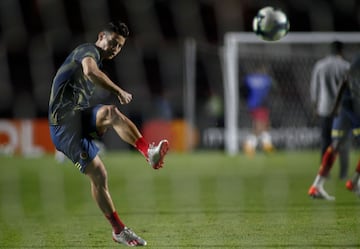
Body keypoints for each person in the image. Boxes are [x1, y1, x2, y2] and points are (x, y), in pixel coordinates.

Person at [48, 21, 169, 246]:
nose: (115, 49)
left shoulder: (99, 61)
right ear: (101, 36)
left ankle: (148, 152)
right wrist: (119, 91)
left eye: (120, 46)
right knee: (99, 174)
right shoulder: (88, 50)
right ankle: (119, 230)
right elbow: (89, 71)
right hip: (63, 127)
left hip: (78, 117)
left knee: (111, 113)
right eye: (113, 43)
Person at [308, 53, 360, 201]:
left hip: (345, 106)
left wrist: (336, 107)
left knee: (335, 145)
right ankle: (355, 182)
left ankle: (316, 185)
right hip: (356, 107)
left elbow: (344, 82)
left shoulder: (356, 60)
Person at [310, 41, 351, 179]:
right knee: (343, 142)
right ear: (341, 51)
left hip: (324, 108)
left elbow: (314, 88)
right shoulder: (346, 66)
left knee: (326, 141)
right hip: (342, 111)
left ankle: (324, 173)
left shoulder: (320, 65)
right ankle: (343, 174)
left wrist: (315, 106)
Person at [242, 64, 275, 156]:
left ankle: (266, 145)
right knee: (260, 126)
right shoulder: (266, 79)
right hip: (261, 104)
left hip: (252, 105)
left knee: (265, 125)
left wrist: (247, 100)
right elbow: (273, 89)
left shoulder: (249, 78)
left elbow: (243, 90)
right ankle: (249, 145)